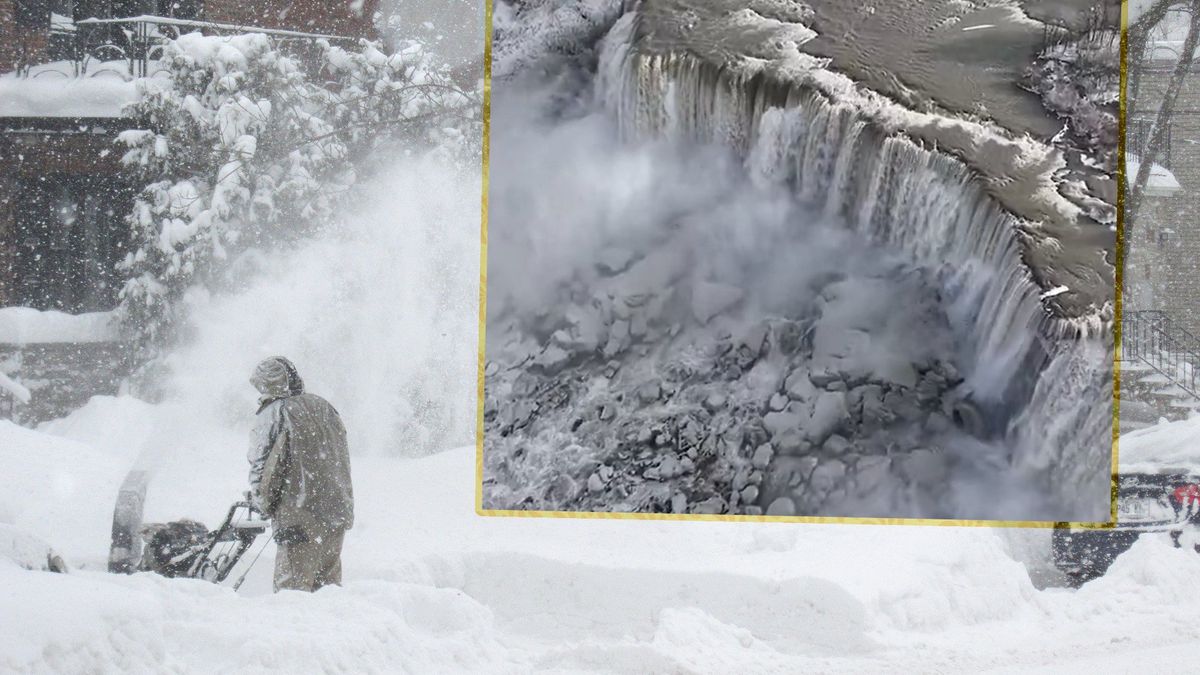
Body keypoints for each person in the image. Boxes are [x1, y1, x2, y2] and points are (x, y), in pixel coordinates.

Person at [247, 356, 353, 592]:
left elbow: (263, 467)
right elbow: (339, 458)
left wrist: (262, 501)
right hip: (336, 511)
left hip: (298, 515)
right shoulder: (324, 406)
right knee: (328, 590)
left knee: (292, 593)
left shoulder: (275, 413)